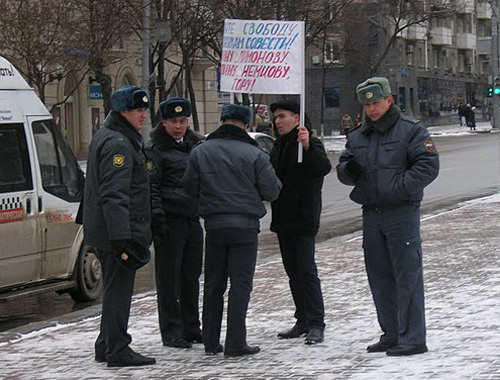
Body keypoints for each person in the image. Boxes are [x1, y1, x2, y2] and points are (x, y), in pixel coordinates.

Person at [336, 77, 439, 356]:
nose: (371, 109)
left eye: (376, 102)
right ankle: (391, 333)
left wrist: (399, 187)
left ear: (389, 100)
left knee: (407, 275)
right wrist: (349, 171)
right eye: (367, 104)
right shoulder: (358, 135)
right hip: (372, 213)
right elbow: (344, 166)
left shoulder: (410, 131)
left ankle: (413, 337)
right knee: (379, 276)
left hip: (402, 211)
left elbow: (428, 166)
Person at [183, 104, 282, 357]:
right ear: (246, 125)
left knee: (213, 285)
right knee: (240, 285)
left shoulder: (200, 151)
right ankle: (236, 342)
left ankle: (210, 341)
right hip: (245, 227)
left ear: (222, 121)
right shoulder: (255, 153)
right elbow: (272, 190)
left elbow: (189, 189)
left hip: (214, 227)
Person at [83, 86, 156, 367]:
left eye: (144, 110)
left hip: (107, 232)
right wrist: (122, 238)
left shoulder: (111, 136)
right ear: (123, 111)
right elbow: (114, 194)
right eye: (138, 110)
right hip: (117, 234)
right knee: (118, 293)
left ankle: (106, 344)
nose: (143, 115)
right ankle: (118, 350)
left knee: (114, 289)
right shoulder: (118, 143)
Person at [269, 101, 332, 345]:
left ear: (297, 118)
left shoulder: (310, 143)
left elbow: (322, 168)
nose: (277, 121)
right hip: (282, 220)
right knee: (293, 273)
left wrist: (307, 146)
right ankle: (302, 319)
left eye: (282, 116)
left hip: (304, 219)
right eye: (276, 117)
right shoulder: (278, 145)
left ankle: (316, 322)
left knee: (306, 272)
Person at [144, 98, 204, 349]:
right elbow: (151, 187)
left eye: (182, 121)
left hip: (192, 219)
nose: (178, 126)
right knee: (169, 281)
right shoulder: (155, 149)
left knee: (191, 276)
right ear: (163, 122)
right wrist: (158, 220)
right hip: (169, 220)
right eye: (173, 122)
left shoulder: (196, 145)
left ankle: (192, 327)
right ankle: (171, 331)